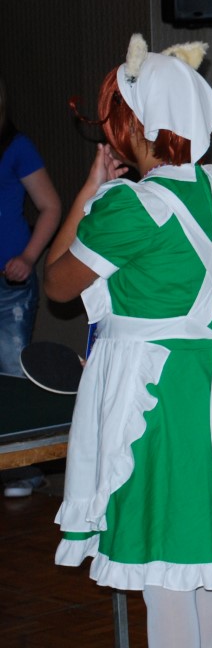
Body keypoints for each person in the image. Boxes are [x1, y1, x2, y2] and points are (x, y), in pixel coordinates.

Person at [44, 35, 212, 648]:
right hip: (205, 390)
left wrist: (88, 190)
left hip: (149, 399)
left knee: (163, 560)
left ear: (133, 124)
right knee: (198, 555)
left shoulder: (129, 210)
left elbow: (56, 283)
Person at [0, 77, 63, 498]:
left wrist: (27, 257)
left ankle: (21, 471)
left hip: (9, 287)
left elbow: (50, 206)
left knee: (11, 375)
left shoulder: (17, 147)